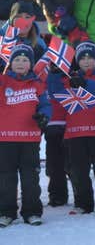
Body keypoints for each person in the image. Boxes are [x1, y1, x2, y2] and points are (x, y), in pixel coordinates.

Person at [48, 40, 95, 215]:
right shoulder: (70, 79)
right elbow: (54, 92)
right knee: (78, 171)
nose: (87, 61)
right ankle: (82, 203)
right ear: (77, 61)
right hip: (75, 133)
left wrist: (84, 83)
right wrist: (55, 73)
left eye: (90, 57)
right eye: (83, 58)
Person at [0, 44, 51, 227]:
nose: (21, 63)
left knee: (30, 178)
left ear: (31, 63)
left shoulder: (38, 83)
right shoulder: (3, 81)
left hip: (29, 139)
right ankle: (6, 212)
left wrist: (44, 116)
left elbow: (45, 105)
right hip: (5, 139)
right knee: (6, 178)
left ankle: (32, 212)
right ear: (10, 63)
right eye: (17, 59)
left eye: (25, 59)